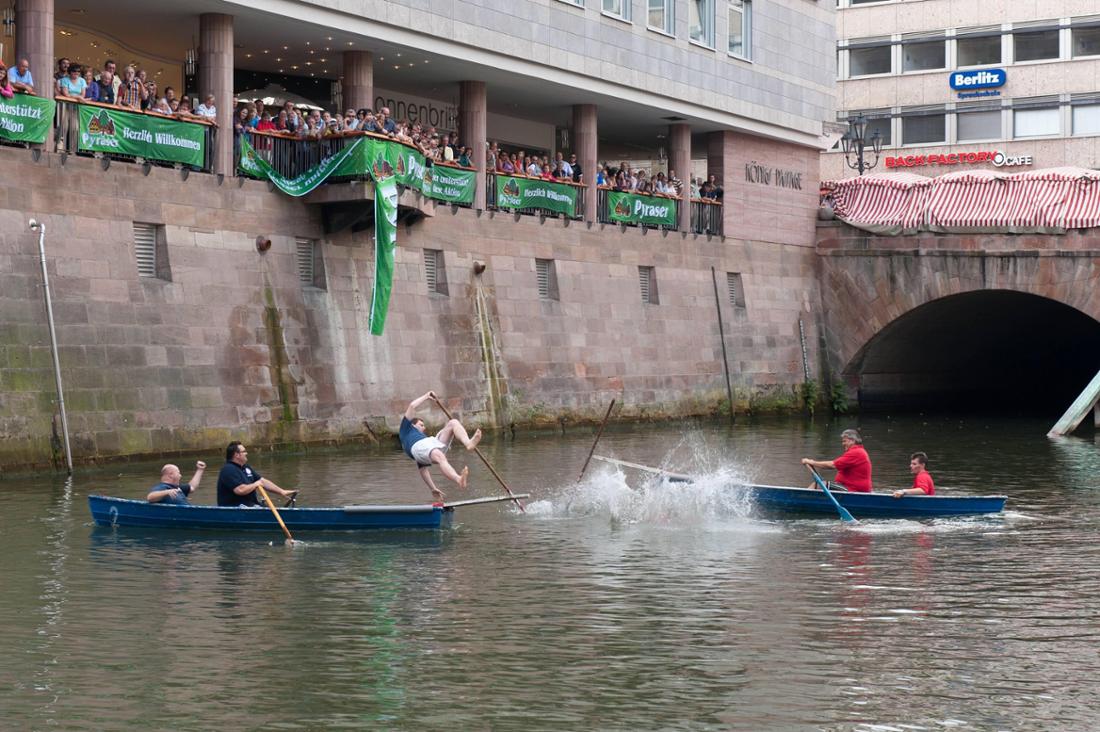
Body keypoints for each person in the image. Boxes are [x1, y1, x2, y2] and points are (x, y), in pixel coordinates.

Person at [399, 391, 482, 502]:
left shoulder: (422, 442)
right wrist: (426, 396)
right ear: (413, 424)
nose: (424, 428)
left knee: (453, 422)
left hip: (430, 443)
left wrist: (433, 489)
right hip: (420, 446)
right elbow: (412, 406)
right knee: (439, 456)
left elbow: (423, 470)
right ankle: (459, 479)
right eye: (421, 425)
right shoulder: (406, 429)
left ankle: (468, 443)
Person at [216, 441, 298, 507]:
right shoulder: (228, 469)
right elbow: (240, 490)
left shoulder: (245, 467)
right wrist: (255, 484)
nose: (246, 453)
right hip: (235, 507)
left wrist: (281, 491)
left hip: (250, 505)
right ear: (236, 455)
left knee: (264, 507)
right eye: (244, 451)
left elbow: (262, 481)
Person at [801, 428, 873, 493]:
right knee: (822, 484)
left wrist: (812, 462)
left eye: (845, 441)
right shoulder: (857, 451)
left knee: (818, 485)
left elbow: (832, 465)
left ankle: (801, 499)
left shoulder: (856, 452)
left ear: (852, 441)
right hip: (848, 487)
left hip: (853, 490)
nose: (843, 444)